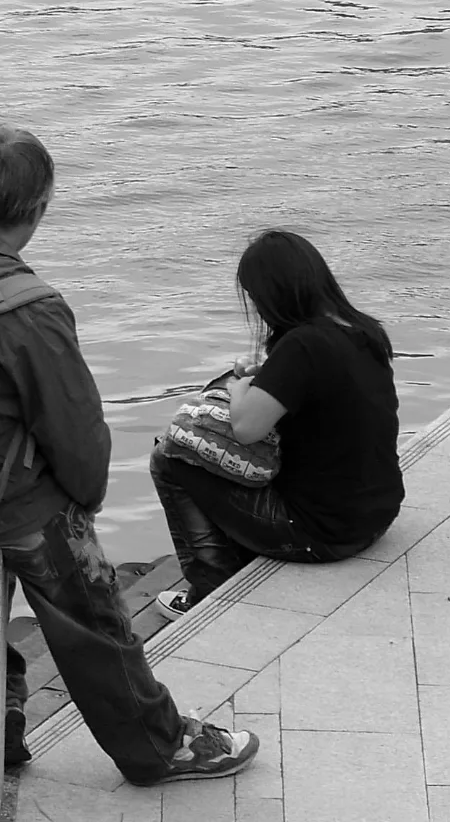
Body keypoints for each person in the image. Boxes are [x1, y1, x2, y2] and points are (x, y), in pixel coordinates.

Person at [0, 127, 259, 785]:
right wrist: (83, 501)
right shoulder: (32, 309)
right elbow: (75, 430)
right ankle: (159, 747)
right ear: (39, 208)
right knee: (97, 623)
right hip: (20, 500)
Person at [150, 229, 404, 618]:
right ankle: (239, 551)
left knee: (169, 458)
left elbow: (247, 427)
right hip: (376, 515)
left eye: (254, 297)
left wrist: (240, 386)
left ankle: (210, 587)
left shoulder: (302, 346)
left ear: (274, 294)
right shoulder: (364, 332)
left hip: (320, 534)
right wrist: (267, 376)